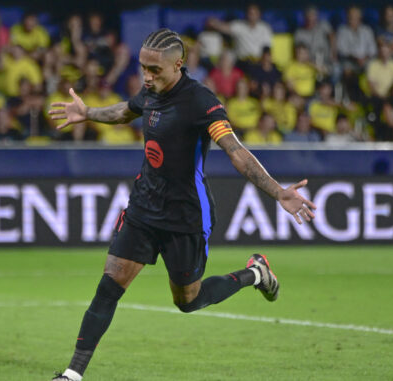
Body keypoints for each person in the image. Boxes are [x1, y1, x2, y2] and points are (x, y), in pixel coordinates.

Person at [48, 28, 315, 381]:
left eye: (155, 69)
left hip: (186, 215)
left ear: (179, 64)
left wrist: (277, 191)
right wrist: (89, 112)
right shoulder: (151, 91)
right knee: (109, 286)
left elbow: (235, 152)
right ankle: (72, 374)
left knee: (187, 301)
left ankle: (255, 274)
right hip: (144, 207)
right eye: (143, 67)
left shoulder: (200, 102)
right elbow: (126, 112)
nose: (146, 75)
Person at [207, 4, 273, 62]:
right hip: (242, 62)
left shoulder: (265, 28)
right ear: (246, 14)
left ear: (259, 15)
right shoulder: (239, 26)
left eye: (255, 14)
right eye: (250, 13)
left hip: (258, 62)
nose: (252, 16)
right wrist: (214, 23)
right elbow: (225, 27)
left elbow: (267, 48)